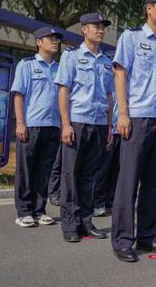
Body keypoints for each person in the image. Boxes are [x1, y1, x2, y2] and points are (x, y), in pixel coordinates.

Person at [111, 0, 156, 263]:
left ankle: (147, 237)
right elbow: (120, 74)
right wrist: (123, 113)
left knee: (154, 183)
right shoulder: (131, 38)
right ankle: (123, 240)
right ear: (149, 9)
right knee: (129, 181)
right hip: (137, 116)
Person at [54, 12, 114, 243]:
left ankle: (86, 222)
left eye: (102, 27)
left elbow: (109, 96)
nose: (100, 30)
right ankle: (70, 224)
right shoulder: (71, 57)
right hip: (77, 122)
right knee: (71, 175)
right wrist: (66, 124)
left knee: (90, 176)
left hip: (99, 124)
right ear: (84, 30)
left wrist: (109, 125)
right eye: (95, 26)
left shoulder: (106, 62)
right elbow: (64, 91)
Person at [11, 26, 62, 228]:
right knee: (26, 169)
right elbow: (18, 95)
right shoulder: (27, 65)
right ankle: (24, 212)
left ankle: (39, 210)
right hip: (31, 124)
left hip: (53, 125)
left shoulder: (59, 68)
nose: (54, 42)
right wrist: (20, 123)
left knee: (44, 170)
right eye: (50, 38)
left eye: (56, 39)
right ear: (39, 42)